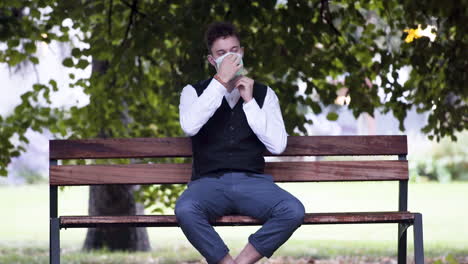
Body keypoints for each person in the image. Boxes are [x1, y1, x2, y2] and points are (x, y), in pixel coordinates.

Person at [175, 21, 305, 264]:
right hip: (208, 183)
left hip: (253, 182)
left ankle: (243, 261)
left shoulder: (264, 94)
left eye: (234, 50)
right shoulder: (193, 92)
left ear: (242, 53)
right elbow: (190, 126)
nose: (229, 57)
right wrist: (219, 83)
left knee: (293, 211)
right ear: (211, 60)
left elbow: (278, 146)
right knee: (185, 210)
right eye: (221, 53)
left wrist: (249, 102)